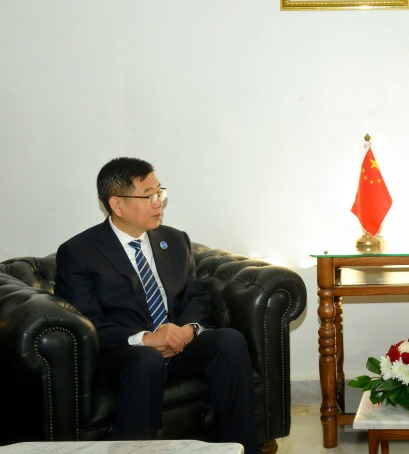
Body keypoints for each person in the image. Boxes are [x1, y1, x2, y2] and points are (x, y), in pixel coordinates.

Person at [55, 157, 259, 454]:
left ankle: (243, 448)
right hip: (123, 355)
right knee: (146, 360)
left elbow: (194, 296)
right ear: (117, 204)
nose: (158, 202)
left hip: (178, 344)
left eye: (159, 192)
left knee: (230, 341)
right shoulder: (79, 252)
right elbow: (87, 323)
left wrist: (188, 330)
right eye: (148, 195)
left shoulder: (174, 240)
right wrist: (146, 339)